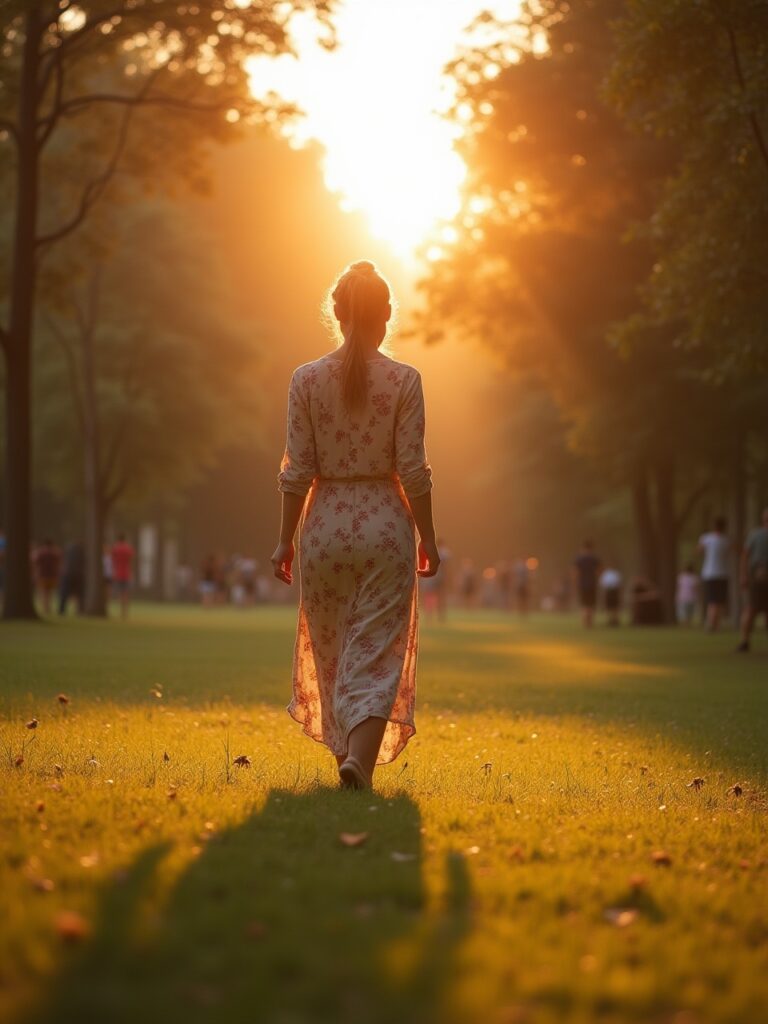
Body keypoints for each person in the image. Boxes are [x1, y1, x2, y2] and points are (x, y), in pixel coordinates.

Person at [271, 260, 438, 791]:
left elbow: (297, 471)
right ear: (385, 316)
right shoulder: (405, 381)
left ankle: (349, 758)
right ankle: (358, 764)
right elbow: (413, 470)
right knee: (378, 649)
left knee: (334, 648)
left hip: (323, 528)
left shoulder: (305, 380)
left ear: (338, 315)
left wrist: (284, 541)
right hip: (385, 527)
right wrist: (429, 537)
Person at [736, 507, 768, 653]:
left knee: (752, 609)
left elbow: (744, 556)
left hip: (758, 574)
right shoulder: (755, 535)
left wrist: (743, 575)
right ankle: (744, 641)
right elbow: (745, 556)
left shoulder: (754, 534)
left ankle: (745, 641)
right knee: (751, 608)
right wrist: (743, 575)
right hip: (758, 576)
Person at [698, 516, 730, 631]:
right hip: (722, 574)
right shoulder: (726, 540)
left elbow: (699, 551)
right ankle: (715, 625)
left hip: (709, 574)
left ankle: (711, 624)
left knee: (712, 601)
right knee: (719, 601)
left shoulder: (706, 538)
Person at [573, 540, 601, 627]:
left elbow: (575, 572)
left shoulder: (579, 559)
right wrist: (597, 580)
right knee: (591, 603)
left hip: (582, 584)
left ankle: (585, 621)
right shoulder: (594, 559)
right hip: (592, 584)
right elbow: (598, 571)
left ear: (583, 548)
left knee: (584, 603)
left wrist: (575, 582)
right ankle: (590, 621)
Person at [33, 539, 61, 614]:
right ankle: (48, 608)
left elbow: (34, 561)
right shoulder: (55, 552)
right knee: (50, 593)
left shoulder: (40, 552)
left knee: (44, 592)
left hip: (42, 574)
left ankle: (45, 608)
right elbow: (59, 563)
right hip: (52, 575)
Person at [110, 533, 135, 620]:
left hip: (118, 573)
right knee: (126, 593)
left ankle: (121, 611)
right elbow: (131, 560)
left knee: (120, 593)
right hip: (127, 573)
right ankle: (125, 612)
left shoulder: (115, 548)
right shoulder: (128, 548)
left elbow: (113, 560)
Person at [59, 541, 85, 615]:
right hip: (78, 574)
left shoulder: (67, 553)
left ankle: (62, 610)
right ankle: (78, 610)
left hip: (67, 574)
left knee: (64, 593)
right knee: (78, 594)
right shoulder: (81, 553)